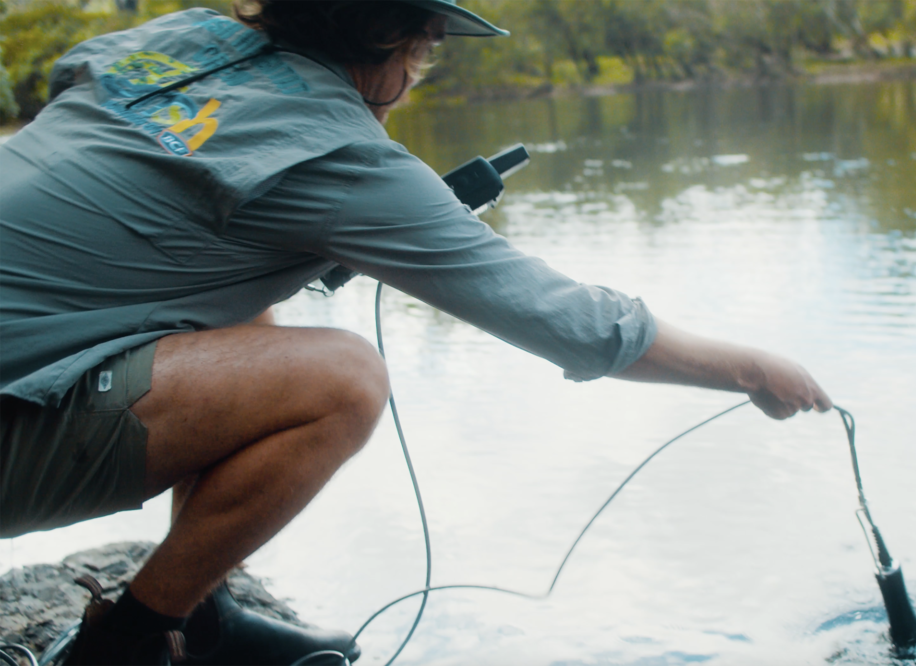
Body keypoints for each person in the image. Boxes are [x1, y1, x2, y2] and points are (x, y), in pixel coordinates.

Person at [0, 0, 832, 663]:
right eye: (428, 49)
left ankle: (200, 618)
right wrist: (749, 368)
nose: (421, 70)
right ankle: (126, 646)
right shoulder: (343, 155)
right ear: (403, 40)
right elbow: (565, 322)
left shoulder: (176, 39)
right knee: (340, 381)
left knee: (249, 305)